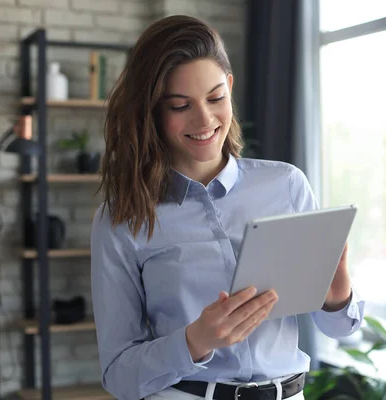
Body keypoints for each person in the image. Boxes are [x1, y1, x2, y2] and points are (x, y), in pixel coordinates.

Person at [90, 15, 364, 400]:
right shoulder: (122, 218)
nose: (204, 120)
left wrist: (337, 297)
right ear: (151, 111)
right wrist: (194, 340)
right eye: (180, 105)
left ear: (230, 88)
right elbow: (118, 374)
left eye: (215, 98)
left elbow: (340, 330)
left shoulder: (286, 185)